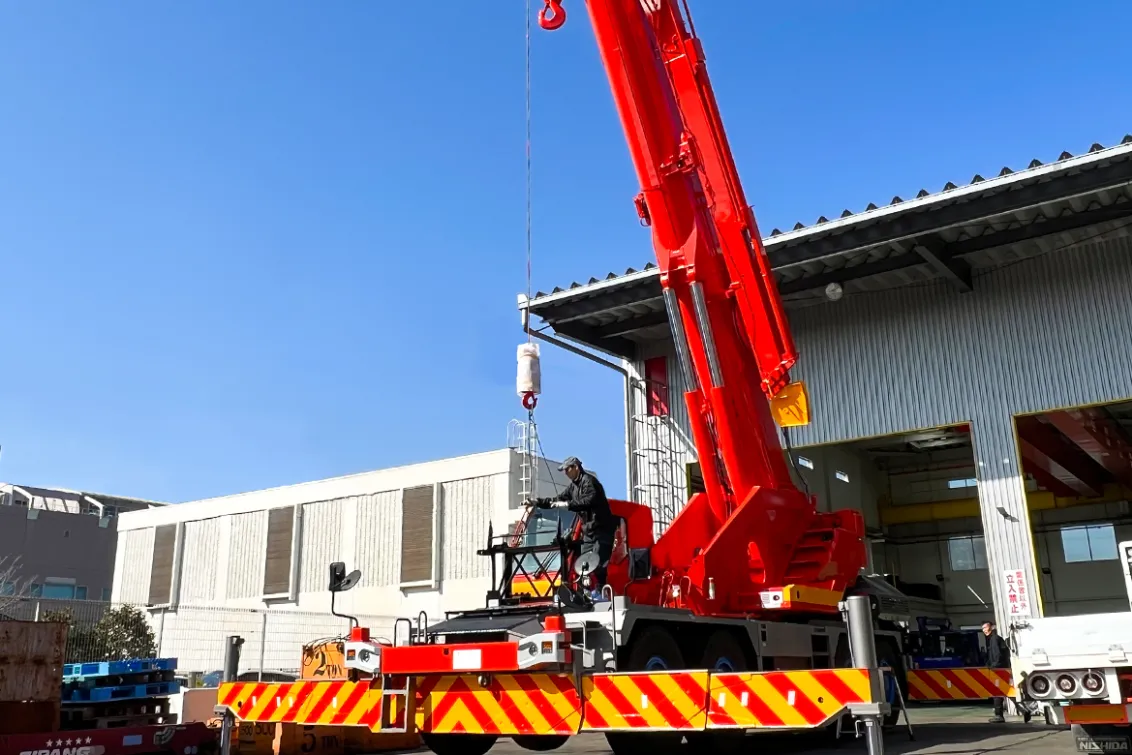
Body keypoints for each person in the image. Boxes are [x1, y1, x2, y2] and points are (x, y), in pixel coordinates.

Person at [524, 457, 616, 601]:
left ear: (576, 467)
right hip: (589, 531)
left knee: (598, 562)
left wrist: (567, 504)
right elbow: (557, 499)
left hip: (601, 530)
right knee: (583, 564)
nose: (565, 472)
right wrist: (537, 502)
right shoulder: (573, 487)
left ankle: (601, 593)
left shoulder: (589, 482)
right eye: (564, 470)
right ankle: (586, 593)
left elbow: (587, 501)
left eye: (568, 469)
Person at [984, 620, 1031, 723]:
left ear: (991, 628)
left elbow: (997, 656)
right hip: (1003, 669)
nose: (984, 630)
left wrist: (993, 667)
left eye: (986, 628)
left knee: (997, 692)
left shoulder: (994, 639)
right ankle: (1024, 710)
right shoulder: (996, 639)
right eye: (983, 629)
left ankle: (999, 715)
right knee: (1007, 691)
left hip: (999, 670)